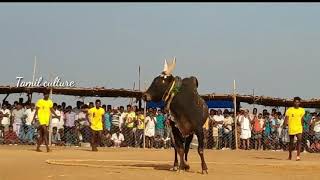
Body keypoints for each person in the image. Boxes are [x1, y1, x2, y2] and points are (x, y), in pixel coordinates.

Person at [284, 97, 305, 161]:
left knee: (299, 140)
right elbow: (286, 118)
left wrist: (303, 126)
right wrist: (284, 125)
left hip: (299, 127)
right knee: (291, 142)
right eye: (295, 102)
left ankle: (298, 156)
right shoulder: (289, 110)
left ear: (299, 103)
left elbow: (302, 119)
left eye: (298, 102)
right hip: (292, 127)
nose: (296, 103)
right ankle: (290, 155)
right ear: (293, 102)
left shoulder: (302, 110)